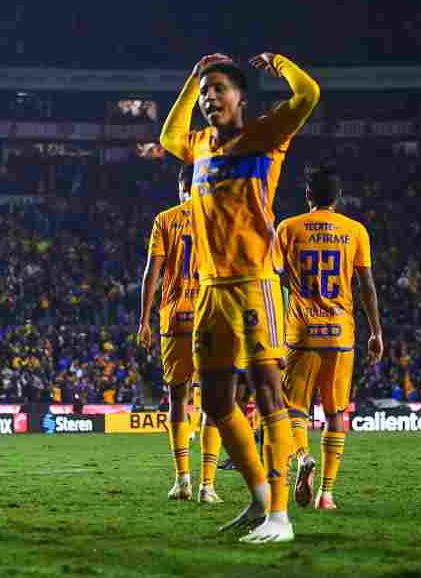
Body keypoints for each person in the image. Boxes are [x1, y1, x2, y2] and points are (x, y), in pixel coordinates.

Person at [156, 51, 320, 544]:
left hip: (254, 282)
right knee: (216, 400)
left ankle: (281, 517)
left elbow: (309, 94)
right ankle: (258, 498)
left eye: (218, 89)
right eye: (205, 92)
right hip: (209, 289)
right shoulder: (201, 145)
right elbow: (167, 138)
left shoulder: (266, 135)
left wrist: (280, 62)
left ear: (241, 97)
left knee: (269, 392)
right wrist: (190, 77)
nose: (210, 98)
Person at [276, 165, 382, 510]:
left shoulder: (288, 228)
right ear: (338, 197)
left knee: (294, 408)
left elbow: (273, 278)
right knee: (336, 412)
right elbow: (366, 285)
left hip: (301, 332)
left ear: (308, 195)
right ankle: (327, 493)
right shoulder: (355, 231)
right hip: (341, 333)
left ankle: (303, 456)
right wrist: (376, 331)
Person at [138, 164, 222, 504]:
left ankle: (182, 480)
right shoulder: (217, 218)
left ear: (180, 186)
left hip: (174, 320)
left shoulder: (165, 219)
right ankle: (208, 486)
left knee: (177, 398)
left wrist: (143, 320)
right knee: (214, 401)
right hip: (211, 318)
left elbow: (152, 274)